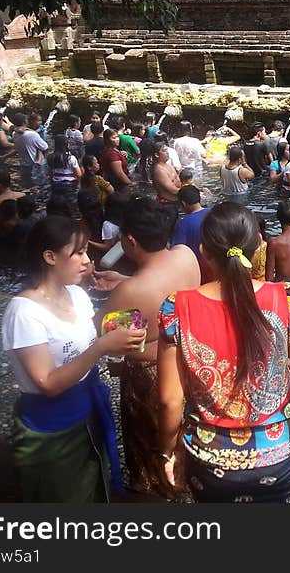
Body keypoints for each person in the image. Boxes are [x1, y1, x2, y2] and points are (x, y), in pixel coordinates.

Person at [156, 202, 290, 502]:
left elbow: (168, 401)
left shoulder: (175, 307)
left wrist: (167, 451)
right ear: (259, 246)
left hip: (209, 458)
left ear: (204, 251)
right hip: (282, 454)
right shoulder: (287, 298)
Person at [1, 215, 145, 502]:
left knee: (93, 484)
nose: (87, 261)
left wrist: (121, 340)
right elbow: (49, 383)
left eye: (86, 252)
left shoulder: (77, 295)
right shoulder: (24, 313)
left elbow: (87, 340)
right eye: (78, 252)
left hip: (87, 407)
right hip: (50, 424)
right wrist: (102, 347)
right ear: (50, 257)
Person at [96, 198, 200, 498]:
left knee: (151, 438)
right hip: (190, 357)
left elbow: (101, 330)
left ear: (129, 240)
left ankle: (158, 489)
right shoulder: (185, 255)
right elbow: (162, 293)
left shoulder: (131, 291)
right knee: (184, 425)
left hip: (153, 375)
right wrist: (125, 281)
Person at [170, 185, 210, 280]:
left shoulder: (183, 224)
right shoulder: (215, 213)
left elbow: (177, 252)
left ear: (183, 204)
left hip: (198, 269)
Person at [49, 134, 83, 213]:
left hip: (55, 183)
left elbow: (50, 173)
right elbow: (79, 174)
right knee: (71, 204)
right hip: (70, 184)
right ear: (66, 144)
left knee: (58, 203)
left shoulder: (50, 157)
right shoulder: (70, 158)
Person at [14, 113, 48, 189]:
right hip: (35, 166)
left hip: (23, 165)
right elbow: (45, 147)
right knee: (39, 186)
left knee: (26, 185)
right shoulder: (31, 134)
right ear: (24, 122)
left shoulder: (14, 134)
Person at [100, 128, 132, 192]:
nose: (117, 139)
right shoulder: (112, 154)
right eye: (114, 138)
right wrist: (130, 184)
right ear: (107, 140)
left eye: (117, 137)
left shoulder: (114, 149)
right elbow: (119, 173)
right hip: (119, 184)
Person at [152, 142, 181, 207]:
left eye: (167, 150)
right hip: (167, 204)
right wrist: (189, 192)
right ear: (156, 155)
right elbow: (172, 190)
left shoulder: (169, 166)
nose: (167, 152)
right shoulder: (159, 170)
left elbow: (179, 182)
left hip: (177, 201)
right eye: (164, 151)